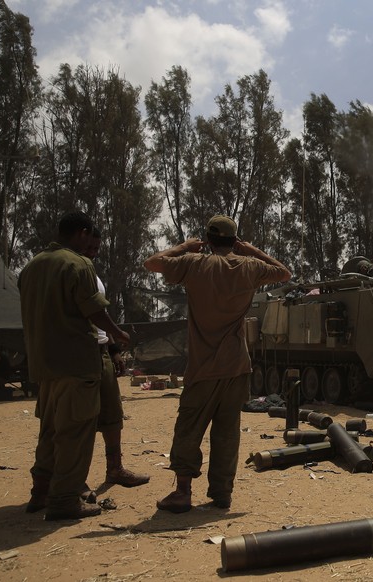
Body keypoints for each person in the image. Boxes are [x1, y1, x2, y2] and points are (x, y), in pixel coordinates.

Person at [144, 215, 291, 513]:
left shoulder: (195, 264)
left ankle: (183, 492)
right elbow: (284, 273)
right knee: (226, 432)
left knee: (188, 429)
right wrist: (250, 250)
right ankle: (222, 495)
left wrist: (185, 246)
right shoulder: (249, 267)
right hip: (237, 365)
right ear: (234, 240)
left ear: (208, 239)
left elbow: (153, 263)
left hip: (203, 368)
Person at [19, 211, 130, 521]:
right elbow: (93, 309)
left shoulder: (31, 266)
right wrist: (117, 333)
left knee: (50, 430)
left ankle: (40, 492)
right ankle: (65, 500)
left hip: (44, 364)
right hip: (76, 363)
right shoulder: (77, 264)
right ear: (82, 232)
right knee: (75, 433)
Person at [82, 229, 150, 490]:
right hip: (82, 354)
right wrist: (118, 333)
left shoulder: (94, 276)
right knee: (82, 420)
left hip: (101, 352)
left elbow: (99, 317)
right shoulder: (74, 272)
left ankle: (115, 469)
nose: (94, 251)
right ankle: (76, 480)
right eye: (90, 246)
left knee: (112, 416)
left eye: (97, 247)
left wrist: (114, 350)